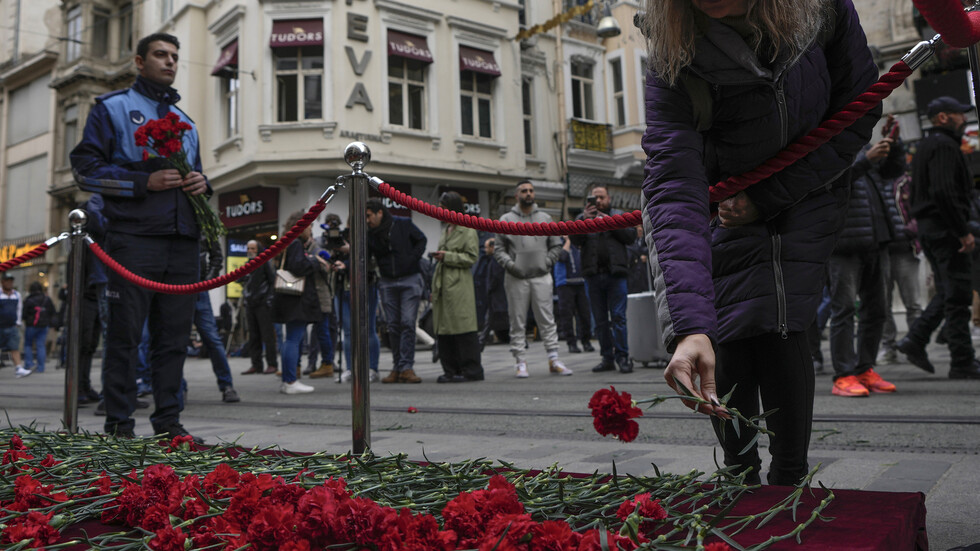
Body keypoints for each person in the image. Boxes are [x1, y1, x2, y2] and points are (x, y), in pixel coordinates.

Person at [640, 0, 879, 485]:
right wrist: (687, 327)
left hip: (804, 191)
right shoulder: (671, 49)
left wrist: (768, 195)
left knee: (780, 319)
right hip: (718, 206)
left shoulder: (823, 8)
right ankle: (738, 474)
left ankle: (789, 478)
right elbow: (671, 182)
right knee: (721, 327)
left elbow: (858, 109)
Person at [70, 33, 209, 441]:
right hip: (133, 239)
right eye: (161, 55)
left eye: (175, 57)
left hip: (183, 241)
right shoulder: (111, 109)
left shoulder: (187, 123)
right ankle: (119, 425)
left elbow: (195, 176)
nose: (170, 62)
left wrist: (204, 184)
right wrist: (141, 181)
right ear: (139, 61)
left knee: (174, 341)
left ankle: (169, 423)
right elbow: (85, 170)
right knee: (125, 337)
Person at [897, 96, 980, 379]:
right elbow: (944, 192)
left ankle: (916, 339)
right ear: (943, 117)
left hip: (931, 228)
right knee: (957, 295)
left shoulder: (925, 146)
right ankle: (962, 361)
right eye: (958, 114)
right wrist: (962, 231)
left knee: (948, 290)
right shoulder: (944, 145)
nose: (962, 119)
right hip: (945, 229)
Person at [826, 137, 902, 397]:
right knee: (844, 309)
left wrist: (895, 146)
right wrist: (865, 161)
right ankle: (844, 374)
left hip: (876, 240)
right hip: (844, 244)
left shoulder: (863, 144)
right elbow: (830, 183)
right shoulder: (828, 142)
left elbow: (893, 172)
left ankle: (864, 368)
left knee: (877, 310)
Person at [494, 180, 572, 378]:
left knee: (547, 319)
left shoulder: (545, 218)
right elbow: (499, 250)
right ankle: (520, 361)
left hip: (541, 275)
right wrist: (512, 266)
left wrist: (546, 263)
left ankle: (554, 359)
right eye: (524, 191)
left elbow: (556, 245)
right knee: (517, 321)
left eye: (531, 190)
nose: (528, 193)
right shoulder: (505, 219)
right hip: (515, 278)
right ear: (516, 195)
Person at [571, 186, 636, 374]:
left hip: (616, 275)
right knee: (600, 321)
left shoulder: (618, 215)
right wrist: (584, 220)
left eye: (601, 197)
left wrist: (610, 222)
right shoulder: (582, 218)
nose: (598, 201)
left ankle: (623, 357)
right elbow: (575, 242)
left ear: (609, 198)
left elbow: (631, 236)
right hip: (593, 276)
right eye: (594, 197)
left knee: (618, 318)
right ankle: (607, 358)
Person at [366, 198, 427, 384]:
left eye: (369, 216)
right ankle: (398, 366)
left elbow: (421, 240)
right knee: (392, 325)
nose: (367, 220)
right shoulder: (370, 234)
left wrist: (412, 259)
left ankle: (406, 366)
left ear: (380, 213)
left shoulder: (403, 223)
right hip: (387, 281)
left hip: (409, 278)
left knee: (408, 322)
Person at [431, 192, 484, 383]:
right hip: (443, 284)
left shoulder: (467, 229)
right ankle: (450, 370)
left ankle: (471, 369)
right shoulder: (447, 229)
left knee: (463, 327)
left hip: (459, 284)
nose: (440, 211)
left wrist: (447, 256)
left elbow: (471, 257)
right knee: (444, 329)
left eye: (443, 207)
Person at [271, 211, 326, 394]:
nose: (311, 229)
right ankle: (290, 381)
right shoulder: (295, 243)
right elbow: (298, 267)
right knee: (294, 339)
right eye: (309, 225)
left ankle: (289, 380)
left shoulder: (287, 242)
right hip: (297, 299)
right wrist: (314, 261)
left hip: (289, 298)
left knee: (291, 339)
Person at [332, 218, 382, 383]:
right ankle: (350, 368)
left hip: (366, 285)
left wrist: (351, 252)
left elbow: (371, 259)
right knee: (348, 330)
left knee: (368, 328)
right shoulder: (341, 236)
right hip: (343, 287)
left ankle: (372, 368)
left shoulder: (370, 237)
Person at [192, 237, 240, 403]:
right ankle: (177, 389)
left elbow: (216, 258)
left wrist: (206, 281)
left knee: (212, 339)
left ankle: (227, 385)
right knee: (173, 342)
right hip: (176, 288)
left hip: (199, 289)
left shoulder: (204, 224)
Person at [240, 240, 279, 375]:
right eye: (248, 248)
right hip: (251, 303)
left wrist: (268, 300)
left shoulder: (264, 262)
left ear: (258, 249)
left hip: (262, 303)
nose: (250, 251)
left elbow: (272, 280)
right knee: (254, 336)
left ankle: (272, 363)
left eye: (253, 248)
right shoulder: (248, 264)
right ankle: (256, 364)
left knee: (267, 335)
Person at [554, 235, 593, 354]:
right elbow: (562, 257)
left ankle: (586, 341)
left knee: (585, 314)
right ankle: (571, 343)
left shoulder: (578, 243)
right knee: (567, 315)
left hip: (580, 282)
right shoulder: (557, 244)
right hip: (565, 284)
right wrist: (568, 241)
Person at [474, 238, 509, 347]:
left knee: (491, 319)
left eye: (487, 247)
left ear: (493, 247)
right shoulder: (493, 259)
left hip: (497, 295)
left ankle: (481, 341)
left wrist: (490, 288)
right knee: (498, 318)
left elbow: (496, 276)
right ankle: (482, 340)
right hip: (497, 296)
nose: (485, 250)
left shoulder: (497, 259)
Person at [19, 282, 57, 376]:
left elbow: (24, 314)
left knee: (28, 344)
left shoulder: (29, 300)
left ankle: (29, 364)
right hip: (44, 325)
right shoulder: (46, 299)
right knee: (40, 345)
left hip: (31, 325)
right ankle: (41, 367)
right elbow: (52, 311)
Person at [2, 275, 24, 376]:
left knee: (14, 347)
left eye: (11, 282)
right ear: (2, 282)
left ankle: (18, 368)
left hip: (12, 325)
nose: (9, 284)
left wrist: (18, 323)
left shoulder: (16, 294)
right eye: (7, 282)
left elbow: (19, 309)